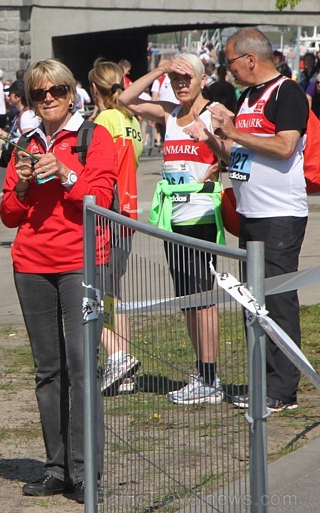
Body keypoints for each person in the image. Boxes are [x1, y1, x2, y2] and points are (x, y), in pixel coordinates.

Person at [0, 58, 117, 504]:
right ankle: (57, 467)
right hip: (31, 263)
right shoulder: (24, 144)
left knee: (83, 368)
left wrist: (64, 172)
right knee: (48, 372)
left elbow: (99, 197)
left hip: (80, 262)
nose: (48, 99)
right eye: (38, 94)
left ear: (72, 94)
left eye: (57, 91)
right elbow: (10, 215)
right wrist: (25, 186)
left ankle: (87, 472)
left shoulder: (93, 136)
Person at [192, 28, 309, 412]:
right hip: (250, 215)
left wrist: (234, 131)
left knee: (276, 300)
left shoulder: (286, 92)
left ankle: (282, 389)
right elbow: (237, 151)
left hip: (280, 215)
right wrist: (212, 141)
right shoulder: (247, 97)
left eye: (229, 63)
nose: (227, 72)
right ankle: (262, 381)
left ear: (249, 59)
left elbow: (284, 146)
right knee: (252, 301)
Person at [120, 53, 225, 406]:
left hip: (201, 216)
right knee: (187, 301)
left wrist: (216, 156)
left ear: (201, 80)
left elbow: (233, 150)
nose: (181, 85)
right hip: (173, 218)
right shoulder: (169, 113)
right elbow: (125, 100)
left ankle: (211, 378)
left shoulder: (214, 112)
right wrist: (160, 70)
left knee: (203, 299)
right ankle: (202, 372)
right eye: (176, 80)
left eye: (187, 79)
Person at [88, 59, 143, 396]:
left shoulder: (105, 120)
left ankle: (118, 356)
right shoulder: (130, 118)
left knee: (93, 293)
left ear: (94, 88)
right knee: (113, 294)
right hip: (127, 214)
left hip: (107, 216)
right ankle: (123, 369)